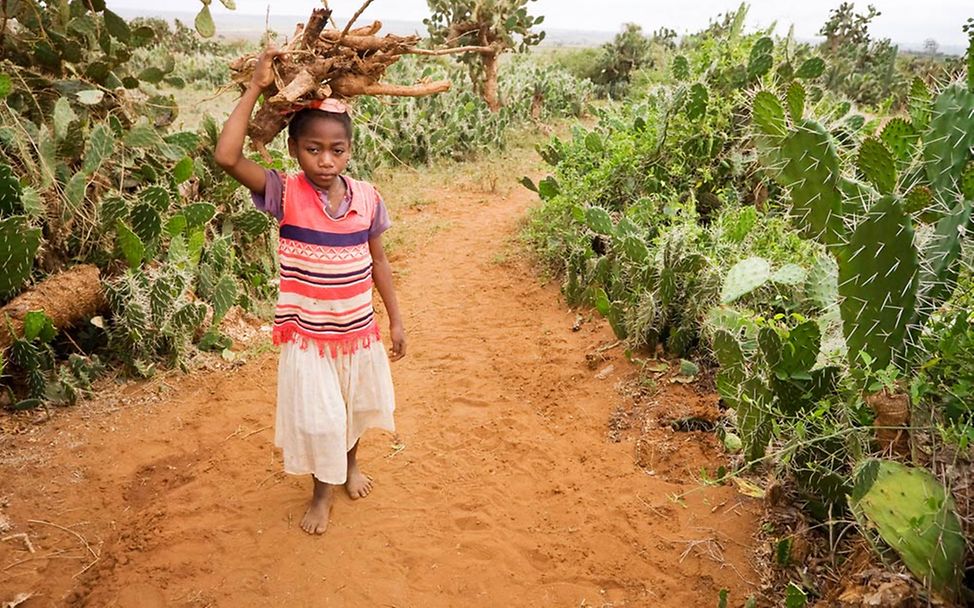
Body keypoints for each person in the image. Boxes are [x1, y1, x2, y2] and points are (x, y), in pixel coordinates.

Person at [214, 45, 406, 535]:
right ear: (294, 150)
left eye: (337, 150)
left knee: (353, 409)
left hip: (357, 332)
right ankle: (322, 492)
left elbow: (379, 261)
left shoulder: (367, 198)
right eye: (312, 149)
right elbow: (226, 156)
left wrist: (397, 319)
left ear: (350, 150)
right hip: (309, 336)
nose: (325, 160)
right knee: (322, 418)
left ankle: (349, 467)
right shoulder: (284, 193)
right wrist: (256, 86)